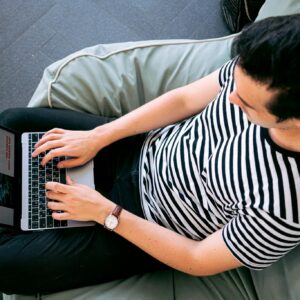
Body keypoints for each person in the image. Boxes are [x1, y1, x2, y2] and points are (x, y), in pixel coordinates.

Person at [0, 14, 299, 295]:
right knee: (11, 126)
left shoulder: (283, 209)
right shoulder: (266, 61)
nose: (230, 97)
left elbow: (196, 259)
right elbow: (183, 99)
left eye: (246, 104)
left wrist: (105, 212)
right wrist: (97, 137)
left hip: (142, 224)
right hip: (140, 148)